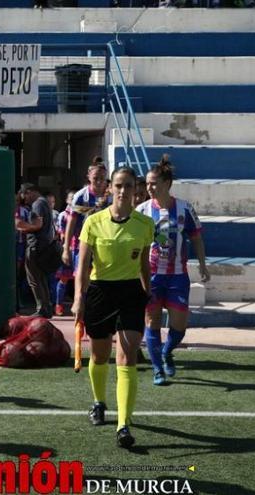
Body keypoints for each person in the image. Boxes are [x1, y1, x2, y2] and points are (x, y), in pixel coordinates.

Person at [72, 166, 154, 449]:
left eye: (128, 186)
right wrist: (78, 298)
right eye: (118, 185)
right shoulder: (93, 222)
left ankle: (123, 424)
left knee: (127, 354)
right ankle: (98, 401)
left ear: (135, 190)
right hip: (100, 292)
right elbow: (82, 265)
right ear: (109, 188)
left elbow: (144, 263)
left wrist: (148, 293)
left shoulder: (145, 225)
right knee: (99, 355)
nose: (123, 190)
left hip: (131, 292)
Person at [137, 156, 210, 386]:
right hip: (152, 276)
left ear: (167, 183)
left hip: (178, 275)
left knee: (179, 326)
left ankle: (167, 351)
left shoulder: (184, 208)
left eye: (154, 183)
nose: (149, 187)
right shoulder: (141, 210)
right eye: (147, 183)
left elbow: (196, 237)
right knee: (152, 322)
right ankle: (158, 369)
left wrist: (202, 264)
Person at [16, 183, 57, 319]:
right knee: (41, 277)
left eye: (24, 195)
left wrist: (20, 226)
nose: (24, 199)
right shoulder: (44, 203)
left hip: (35, 246)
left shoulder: (37, 205)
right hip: (43, 245)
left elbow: (37, 225)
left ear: (29, 192)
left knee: (34, 278)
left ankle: (42, 307)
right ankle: (46, 307)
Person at [62, 159, 110, 268]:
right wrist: (66, 248)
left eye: (102, 178)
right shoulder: (80, 196)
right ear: (88, 177)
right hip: (82, 244)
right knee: (83, 278)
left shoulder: (111, 196)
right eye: (95, 178)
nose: (99, 181)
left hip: (105, 244)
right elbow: (71, 222)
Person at [54, 190, 77, 316]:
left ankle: (78, 304)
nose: (74, 200)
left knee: (81, 279)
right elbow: (61, 234)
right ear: (67, 200)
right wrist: (66, 249)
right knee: (64, 279)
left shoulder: (81, 213)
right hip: (68, 249)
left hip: (80, 249)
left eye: (75, 198)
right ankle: (58, 305)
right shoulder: (63, 215)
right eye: (71, 198)